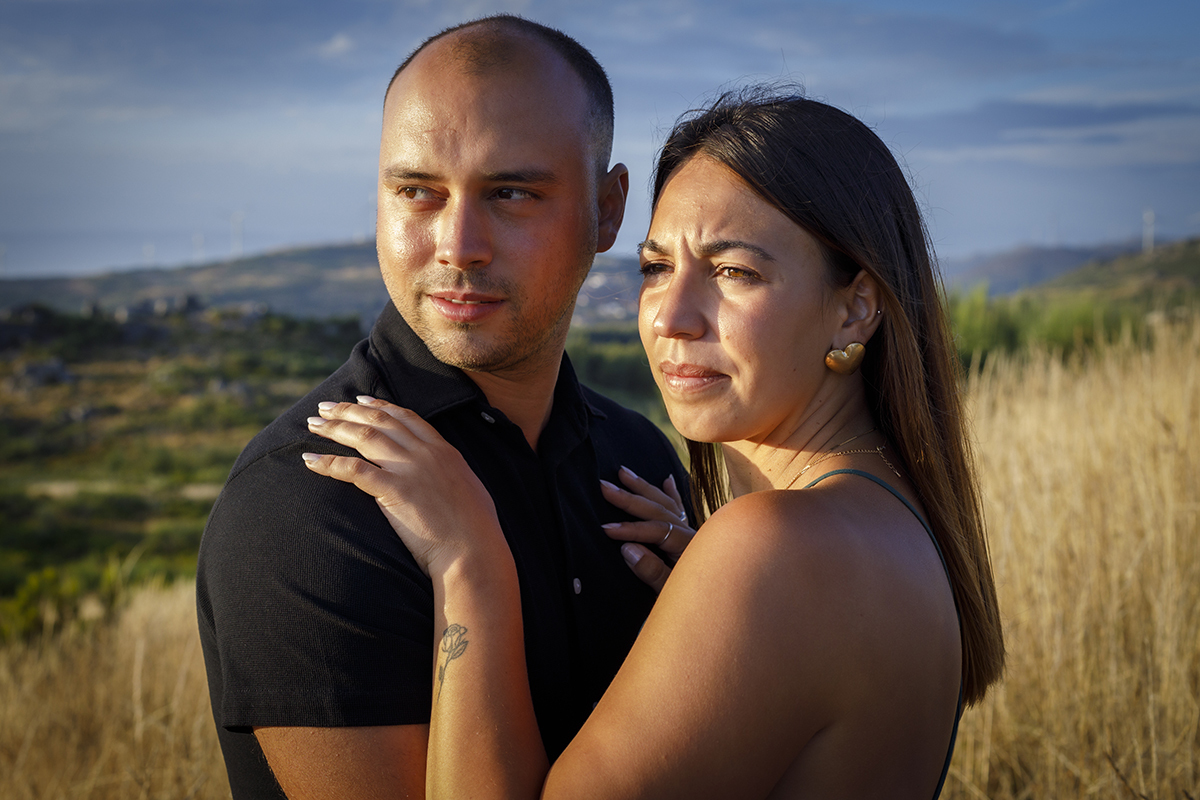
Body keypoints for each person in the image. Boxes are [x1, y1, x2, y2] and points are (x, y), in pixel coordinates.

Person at [303, 87, 1007, 798]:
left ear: (854, 309)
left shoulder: (778, 549)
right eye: (656, 268)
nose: (671, 316)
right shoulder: (888, 525)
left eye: (734, 272)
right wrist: (714, 602)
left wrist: (470, 562)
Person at [196, 15, 694, 800]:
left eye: (511, 193)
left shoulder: (640, 463)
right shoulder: (310, 501)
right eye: (417, 192)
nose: (459, 245)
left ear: (607, 210)